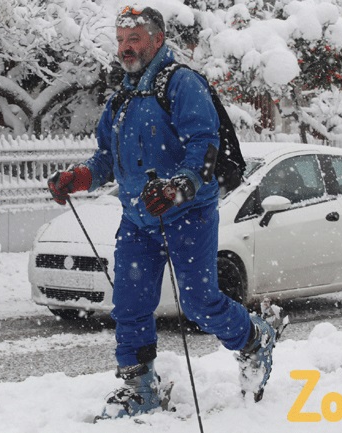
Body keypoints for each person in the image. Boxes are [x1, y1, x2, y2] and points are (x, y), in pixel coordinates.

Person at [47, 6, 280, 418]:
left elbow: (206, 149)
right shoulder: (121, 97)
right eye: (120, 40)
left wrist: (179, 188)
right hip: (138, 219)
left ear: (156, 39)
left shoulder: (181, 84)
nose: (125, 48)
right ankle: (140, 388)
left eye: (133, 39)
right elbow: (106, 158)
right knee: (130, 304)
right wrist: (78, 177)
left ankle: (254, 339)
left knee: (199, 303)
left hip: (187, 215)